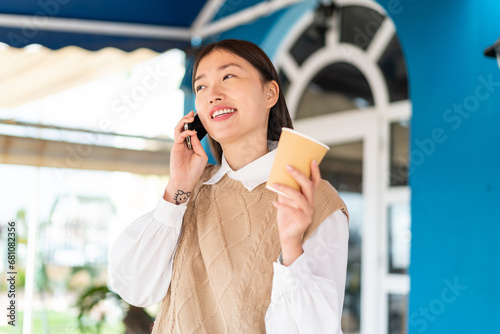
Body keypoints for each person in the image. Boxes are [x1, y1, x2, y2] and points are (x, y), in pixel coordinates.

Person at [109, 39, 349, 334]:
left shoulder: (312, 197)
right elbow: (136, 288)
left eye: (228, 76)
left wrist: (291, 249)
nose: (213, 95)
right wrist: (177, 190)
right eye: (201, 87)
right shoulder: (190, 191)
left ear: (270, 92)